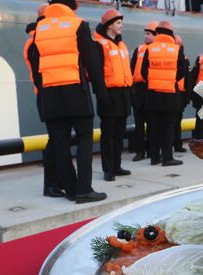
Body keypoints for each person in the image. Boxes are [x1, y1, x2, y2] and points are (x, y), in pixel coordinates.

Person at [28, 0, 107, 204]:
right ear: (73, 7)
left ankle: (71, 190)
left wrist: (45, 91)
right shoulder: (78, 24)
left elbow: (36, 67)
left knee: (60, 143)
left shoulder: (40, 29)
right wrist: (101, 93)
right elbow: (92, 62)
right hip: (76, 94)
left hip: (50, 95)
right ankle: (84, 190)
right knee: (84, 140)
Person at [24, 3, 66, 198]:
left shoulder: (38, 38)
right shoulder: (36, 41)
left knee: (58, 138)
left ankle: (56, 182)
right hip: (47, 94)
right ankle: (51, 184)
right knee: (55, 138)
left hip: (49, 93)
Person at [141, 20, 187, 166]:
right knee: (168, 128)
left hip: (152, 95)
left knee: (153, 127)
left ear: (158, 32)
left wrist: (154, 80)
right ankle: (167, 157)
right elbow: (183, 71)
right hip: (170, 95)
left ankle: (154, 157)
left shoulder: (150, 48)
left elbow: (143, 71)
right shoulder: (176, 49)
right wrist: (171, 79)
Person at [94, 9, 133, 182]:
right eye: (118, 23)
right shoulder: (100, 44)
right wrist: (102, 94)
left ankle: (116, 166)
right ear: (109, 25)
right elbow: (96, 72)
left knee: (119, 134)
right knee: (108, 134)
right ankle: (108, 169)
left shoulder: (121, 45)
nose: (121, 25)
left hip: (123, 94)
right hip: (109, 94)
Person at [130, 21, 157, 162]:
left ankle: (152, 151)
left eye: (148, 34)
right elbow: (131, 69)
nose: (145, 36)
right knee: (139, 123)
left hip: (151, 89)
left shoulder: (158, 51)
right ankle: (140, 151)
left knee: (152, 123)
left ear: (156, 36)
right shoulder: (139, 50)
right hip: (139, 89)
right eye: (145, 33)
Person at [173, 34, 189, 152]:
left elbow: (188, 79)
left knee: (177, 121)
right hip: (172, 92)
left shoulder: (184, 60)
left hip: (180, 94)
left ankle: (177, 144)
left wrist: (186, 97)